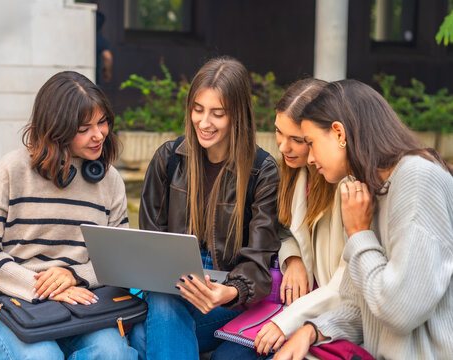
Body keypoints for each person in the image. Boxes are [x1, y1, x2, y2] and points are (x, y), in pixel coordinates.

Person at [273, 79, 453, 360]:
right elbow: (360, 305)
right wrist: (309, 331)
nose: (309, 159)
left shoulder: (418, 179)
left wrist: (358, 233)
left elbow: (400, 310)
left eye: (310, 142)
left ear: (338, 133)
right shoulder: (369, 189)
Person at [0, 71, 137, 360]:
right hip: (11, 303)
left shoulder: (110, 180)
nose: (99, 135)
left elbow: (119, 260)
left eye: (103, 122)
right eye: (84, 128)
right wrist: (40, 287)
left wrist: (73, 276)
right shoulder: (12, 170)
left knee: (115, 354)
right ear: (56, 129)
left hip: (81, 303)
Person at [128, 57, 282, 360]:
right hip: (174, 290)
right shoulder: (169, 159)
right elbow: (150, 242)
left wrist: (231, 291)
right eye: (198, 110)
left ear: (237, 115)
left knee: (143, 335)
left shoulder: (261, 171)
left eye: (217, 113)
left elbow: (259, 258)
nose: (204, 122)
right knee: (163, 299)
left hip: (229, 294)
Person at [213, 78, 350, 359]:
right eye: (278, 132)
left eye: (298, 140)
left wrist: (289, 321)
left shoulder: (346, 185)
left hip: (326, 315)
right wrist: (293, 258)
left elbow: (346, 280)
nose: (284, 147)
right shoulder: (292, 172)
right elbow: (284, 229)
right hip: (286, 303)